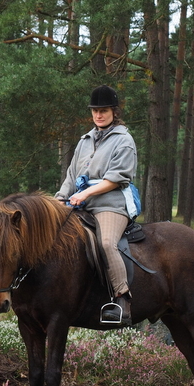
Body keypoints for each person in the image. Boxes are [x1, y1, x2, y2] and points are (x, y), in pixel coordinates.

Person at [55, 85, 137, 325]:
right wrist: (59, 200)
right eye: (95, 111)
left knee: (106, 243)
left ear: (113, 111)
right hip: (81, 203)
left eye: (103, 110)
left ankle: (122, 299)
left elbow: (116, 178)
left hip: (110, 204)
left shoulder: (124, 140)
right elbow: (71, 175)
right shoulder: (85, 140)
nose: (98, 115)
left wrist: (85, 194)